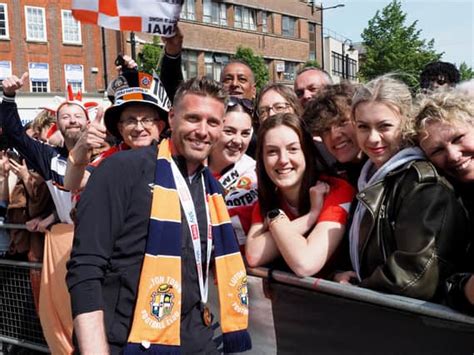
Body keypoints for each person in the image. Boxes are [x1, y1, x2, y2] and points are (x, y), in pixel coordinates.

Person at [66, 77, 251, 354]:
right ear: (172, 118)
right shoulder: (121, 169)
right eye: (193, 118)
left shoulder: (211, 190)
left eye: (213, 122)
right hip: (126, 340)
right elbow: (85, 267)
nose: (203, 131)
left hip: (195, 338)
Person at [337, 75, 470, 302]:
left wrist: (357, 289)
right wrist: (340, 273)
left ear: (406, 124)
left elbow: (414, 277)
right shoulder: (368, 177)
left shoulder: (422, 183)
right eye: (363, 127)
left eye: (384, 126)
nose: (373, 138)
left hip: (405, 323)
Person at [245, 113, 355, 277]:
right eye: (272, 151)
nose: (283, 160)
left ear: (306, 153)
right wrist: (311, 216)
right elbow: (253, 254)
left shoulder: (337, 190)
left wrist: (275, 222)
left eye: (293, 149)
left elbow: (305, 264)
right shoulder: (268, 200)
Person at [413, 90, 474, 313]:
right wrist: (467, 289)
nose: (454, 155)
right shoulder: (446, 201)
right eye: (438, 150)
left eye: (458, 138)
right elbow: (445, 285)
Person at [64, 68, 170, 192]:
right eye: (130, 121)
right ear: (120, 128)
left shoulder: (174, 153)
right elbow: (74, 185)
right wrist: (81, 146)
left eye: (147, 120)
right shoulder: (111, 158)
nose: (139, 128)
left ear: (160, 126)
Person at [208, 96, 258, 249]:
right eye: (229, 131)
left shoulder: (257, 173)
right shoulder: (189, 170)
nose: (238, 140)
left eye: (245, 133)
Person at [302, 82, 365, 187]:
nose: (334, 135)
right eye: (326, 129)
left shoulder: (389, 168)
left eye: (342, 123)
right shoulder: (327, 178)